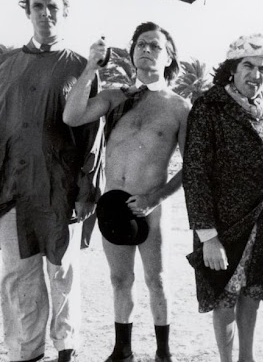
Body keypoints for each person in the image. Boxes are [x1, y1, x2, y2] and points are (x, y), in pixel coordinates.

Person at [0, 0, 102, 362]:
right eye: (37, 6)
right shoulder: (4, 66)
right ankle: (26, 352)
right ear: (27, 11)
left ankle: (66, 349)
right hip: (10, 191)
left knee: (62, 273)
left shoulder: (82, 68)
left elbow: (92, 138)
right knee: (19, 275)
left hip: (61, 192)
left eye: (52, 6)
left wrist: (86, 191)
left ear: (65, 11)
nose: (45, 13)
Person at [63, 22, 189, 362]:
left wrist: (154, 199)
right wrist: (91, 66)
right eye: (141, 44)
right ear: (132, 53)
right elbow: (72, 116)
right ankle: (123, 351)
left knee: (156, 280)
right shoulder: (115, 97)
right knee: (120, 279)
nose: (147, 50)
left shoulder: (179, 107)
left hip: (152, 207)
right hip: (113, 204)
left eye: (156, 46)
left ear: (169, 58)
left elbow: (193, 166)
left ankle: (163, 353)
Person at [182, 34, 263, 362]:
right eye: (248, 66)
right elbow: (195, 174)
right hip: (225, 225)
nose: (255, 75)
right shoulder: (209, 107)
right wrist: (208, 236)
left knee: (253, 292)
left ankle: (248, 358)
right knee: (224, 296)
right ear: (232, 68)